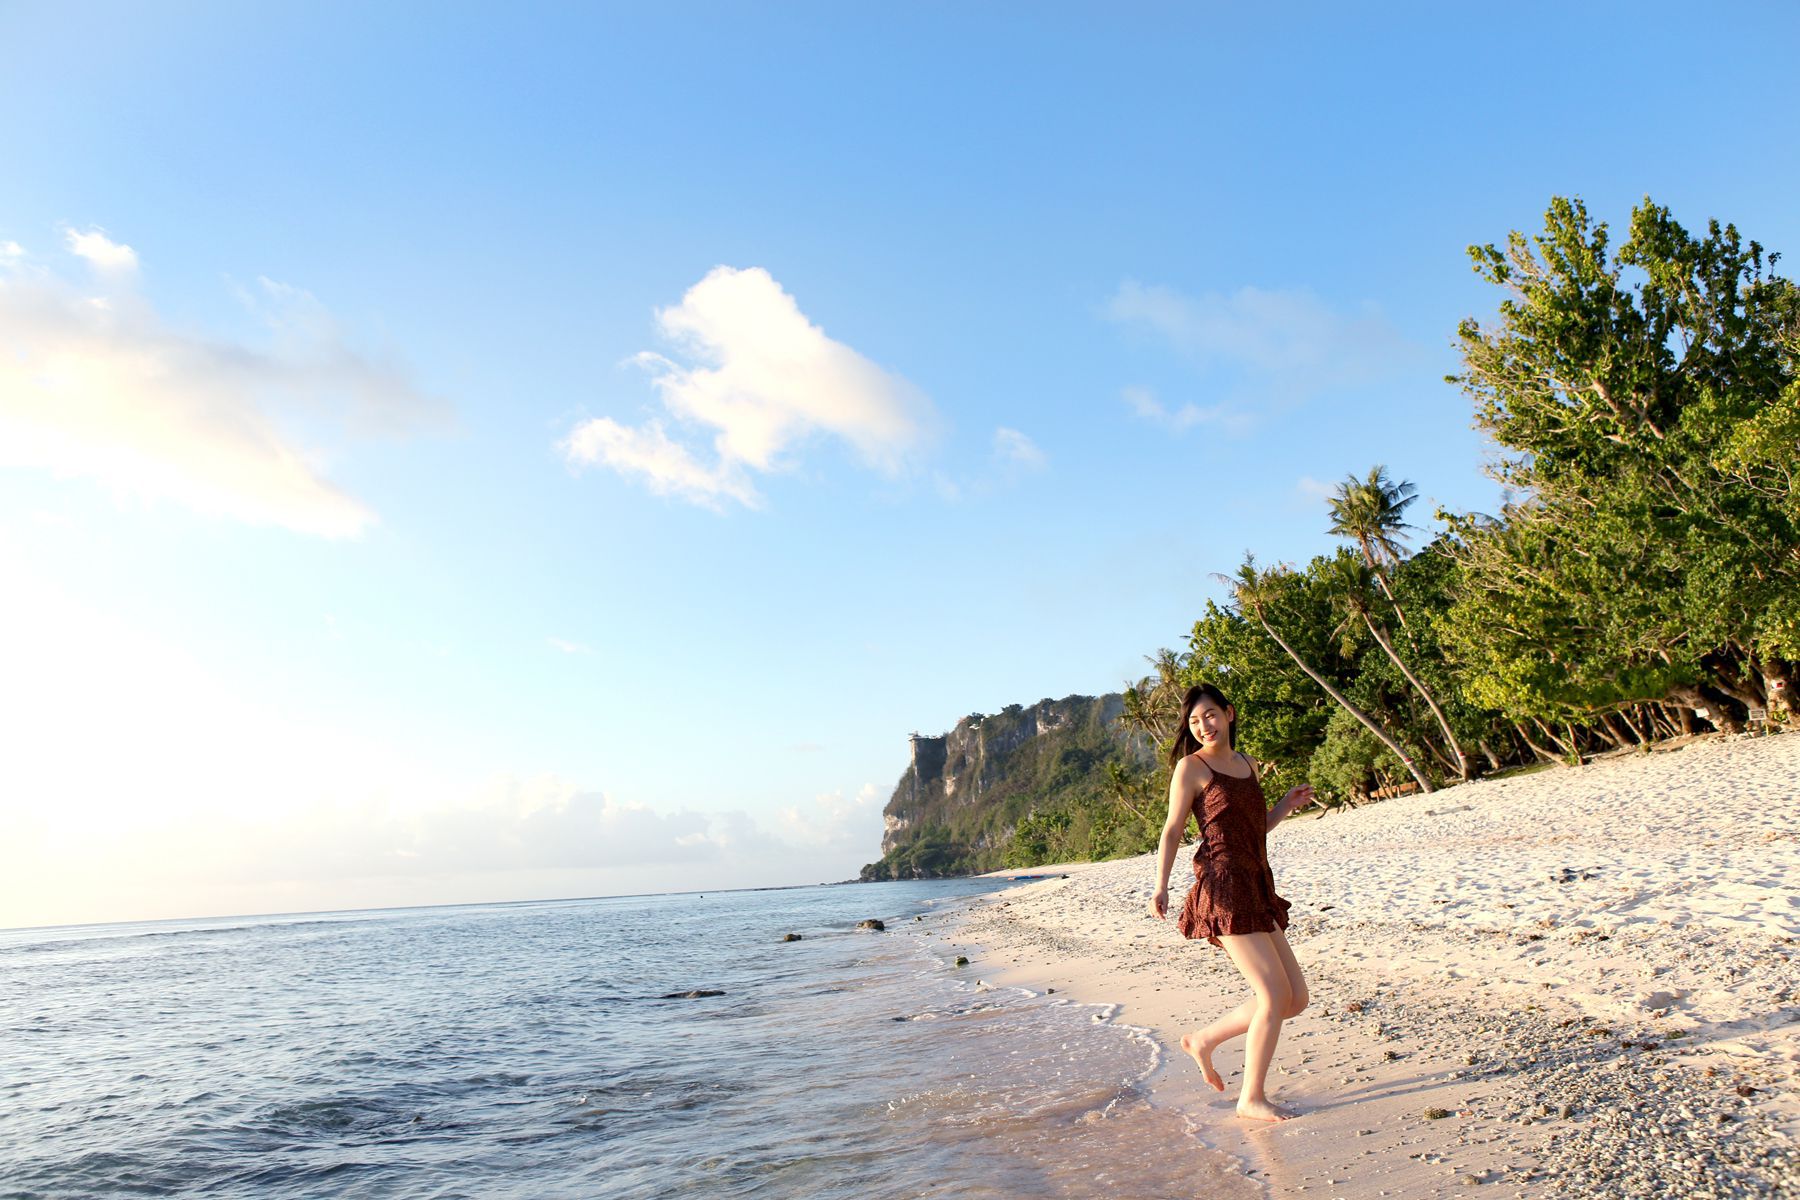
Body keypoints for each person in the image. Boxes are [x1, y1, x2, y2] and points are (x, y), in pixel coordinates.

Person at [1149, 683, 1313, 1122]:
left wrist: (1286, 805)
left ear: (1230, 713)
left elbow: (1256, 827)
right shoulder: (1191, 768)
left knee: (1295, 999)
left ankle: (1202, 1040)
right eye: (1195, 721)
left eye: (1211, 715)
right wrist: (1161, 885)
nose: (1204, 726)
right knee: (1273, 994)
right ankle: (1251, 1097)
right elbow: (1172, 829)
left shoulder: (1247, 764)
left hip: (1255, 883)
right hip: (1222, 886)